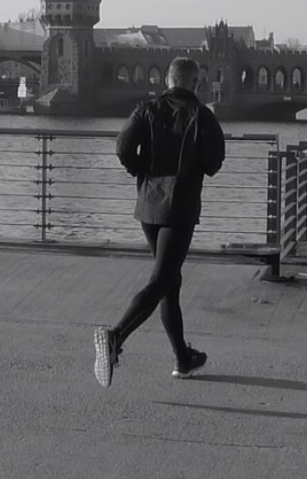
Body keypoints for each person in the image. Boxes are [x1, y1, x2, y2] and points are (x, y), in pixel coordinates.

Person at [95, 57, 226, 388]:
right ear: (195, 82)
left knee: (170, 282)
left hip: (149, 207)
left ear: (168, 80)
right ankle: (115, 336)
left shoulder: (146, 110)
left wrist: (142, 170)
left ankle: (183, 358)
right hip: (179, 209)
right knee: (161, 280)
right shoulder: (202, 116)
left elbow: (123, 147)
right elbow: (213, 164)